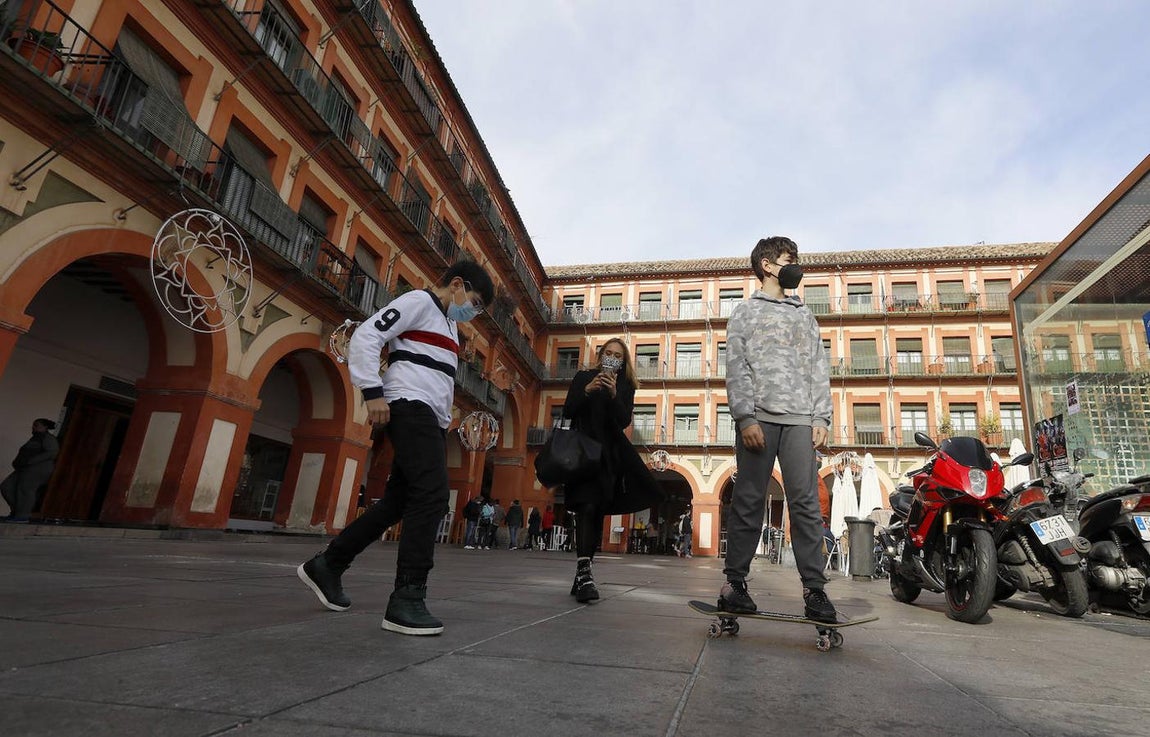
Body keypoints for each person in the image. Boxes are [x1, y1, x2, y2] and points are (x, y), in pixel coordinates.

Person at [296, 259, 494, 636]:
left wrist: (443, 415)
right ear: (456, 284)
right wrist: (372, 391)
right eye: (476, 300)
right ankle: (407, 598)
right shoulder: (418, 301)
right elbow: (368, 335)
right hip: (408, 403)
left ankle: (328, 565)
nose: (475, 311)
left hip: (430, 418)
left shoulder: (450, 326)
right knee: (434, 495)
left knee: (399, 502)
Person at [720, 236, 837, 623]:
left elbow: (819, 368)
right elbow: (737, 366)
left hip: (800, 420)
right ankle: (734, 584)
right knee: (749, 500)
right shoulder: (745, 313)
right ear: (768, 265)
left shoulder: (804, 315)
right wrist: (745, 417)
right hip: (759, 419)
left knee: (805, 503)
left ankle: (815, 591)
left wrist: (821, 417)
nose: (797, 265)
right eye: (791, 259)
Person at [561, 338, 663, 602]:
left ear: (623, 361)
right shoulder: (583, 376)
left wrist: (615, 394)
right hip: (583, 451)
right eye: (608, 353)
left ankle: (583, 573)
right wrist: (587, 390)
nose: (612, 358)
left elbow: (623, 420)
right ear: (601, 355)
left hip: (608, 456)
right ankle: (584, 573)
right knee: (586, 506)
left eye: (618, 356)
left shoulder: (626, 385)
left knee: (596, 511)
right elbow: (569, 410)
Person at [1, 418, 59, 523]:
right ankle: (17, 512)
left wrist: (31, 461)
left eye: (37, 425)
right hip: (23, 469)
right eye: (33, 425)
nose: (34, 427)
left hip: (37, 469)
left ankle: (22, 516)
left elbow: (52, 452)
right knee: (7, 486)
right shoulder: (35, 438)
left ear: (45, 427)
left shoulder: (48, 438)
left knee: (26, 490)